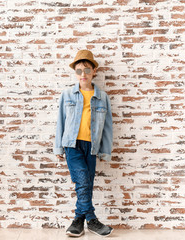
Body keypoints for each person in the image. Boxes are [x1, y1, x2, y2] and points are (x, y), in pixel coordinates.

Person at [54, 50, 113, 237]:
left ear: (94, 71)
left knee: (86, 184)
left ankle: (78, 221)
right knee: (82, 181)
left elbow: (108, 127)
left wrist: (105, 151)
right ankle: (93, 220)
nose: (83, 75)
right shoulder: (67, 95)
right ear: (75, 73)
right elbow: (60, 122)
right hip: (72, 146)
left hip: (92, 147)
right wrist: (58, 147)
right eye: (79, 71)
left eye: (87, 70)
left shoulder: (102, 97)